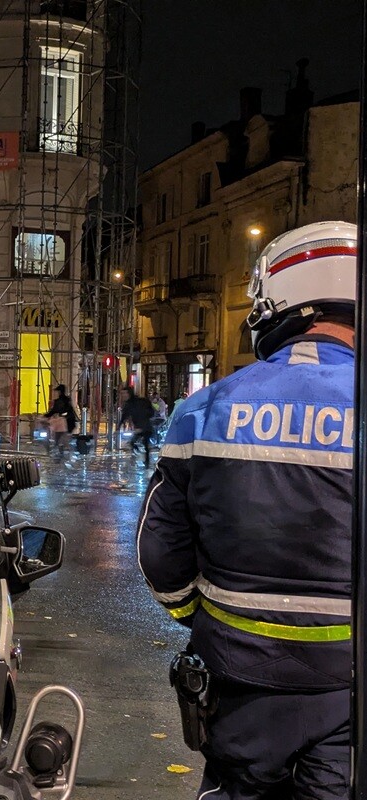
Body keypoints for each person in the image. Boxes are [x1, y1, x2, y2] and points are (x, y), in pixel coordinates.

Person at [136, 221, 356, 799]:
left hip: (238, 675)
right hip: (348, 684)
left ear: (276, 303)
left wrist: (197, 616)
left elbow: (159, 549)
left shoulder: (205, 406)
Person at [118, 385, 155, 466]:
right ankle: (145, 462)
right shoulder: (132, 403)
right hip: (143, 427)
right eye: (122, 394)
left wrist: (141, 426)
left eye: (124, 394)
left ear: (129, 394)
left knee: (141, 444)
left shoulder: (137, 402)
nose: (123, 396)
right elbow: (124, 416)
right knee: (140, 444)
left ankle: (145, 461)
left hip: (144, 427)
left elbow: (149, 412)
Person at [43, 383, 77, 461]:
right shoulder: (66, 401)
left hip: (63, 424)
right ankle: (62, 453)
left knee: (60, 438)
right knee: (62, 438)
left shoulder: (60, 401)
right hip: (66, 423)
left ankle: (62, 454)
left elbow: (55, 410)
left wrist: (46, 416)